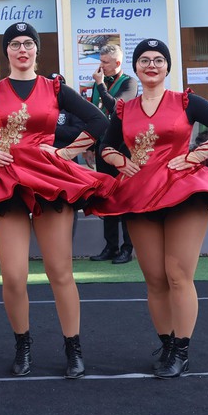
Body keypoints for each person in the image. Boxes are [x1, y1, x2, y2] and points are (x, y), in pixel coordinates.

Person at [0, 22, 114, 379]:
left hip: (48, 181)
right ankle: (22, 344)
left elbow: (99, 121)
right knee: (13, 276)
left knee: (60, 271)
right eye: (15, 44)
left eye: (28, 43)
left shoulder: (55, 88)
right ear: (7, 51)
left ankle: (73, 347)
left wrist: (65, 152)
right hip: (6, 182)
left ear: (37, 50)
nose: (22, 49)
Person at [98, 39, 208, 378]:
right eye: (145, 60)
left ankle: (181, 351)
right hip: (140, 196)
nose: (152, 65)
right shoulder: (124, 109)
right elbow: (106, 146)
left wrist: (193, 156)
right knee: (155, 279)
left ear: (167, 67)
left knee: (177, 275)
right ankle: (167, 343)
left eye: (159, 60)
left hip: (183, 193)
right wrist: (120, 161)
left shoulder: (187, 101)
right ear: (136, 67)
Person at [88, 43, 139, 265]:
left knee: (124, 196)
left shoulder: (129, 83)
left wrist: (101, 85)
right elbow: (93, 115)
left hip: (122, 149)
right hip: (102, 146)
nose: (101, 66)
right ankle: (111, 246)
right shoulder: (98, 83)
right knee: (105, 196)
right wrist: (90, 146)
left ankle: (127, 248)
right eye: (100, 61)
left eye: (105, 62)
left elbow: (116, 108)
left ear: (117, 63)